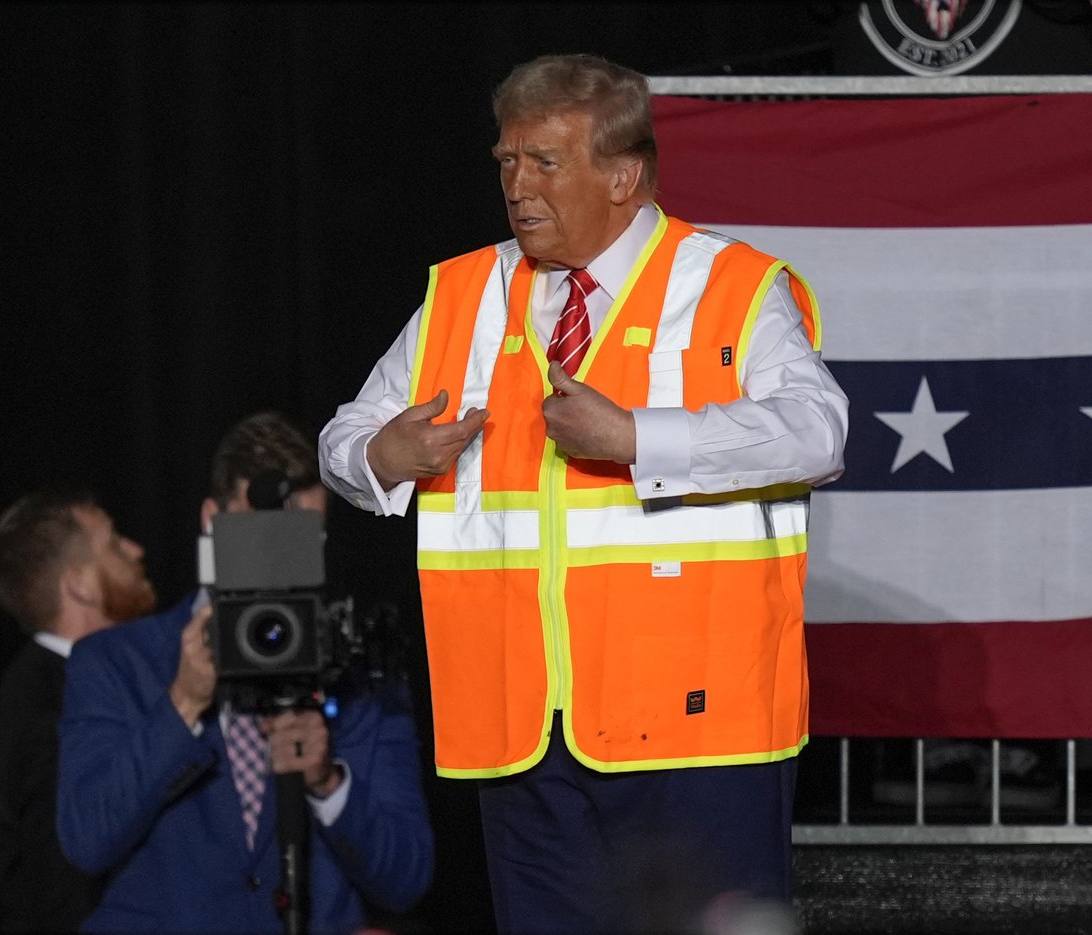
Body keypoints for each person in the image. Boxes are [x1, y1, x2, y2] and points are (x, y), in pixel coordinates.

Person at [319, 53, 849, 934]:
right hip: (525, 731)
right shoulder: (462, 294)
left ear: (623, 174)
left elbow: (820, 431)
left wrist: (640, 437)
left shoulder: (730, 286)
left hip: (700, 727)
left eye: (544, 162)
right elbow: (344, 441)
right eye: (506, 162)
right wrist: (387, 450)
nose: (517, 186)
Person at [56, 411, 433, 935]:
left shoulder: (357, 671)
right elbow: (87, 839)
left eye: (304, 537)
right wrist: (182, 703)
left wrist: (327, 784)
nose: (282, 557)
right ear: (213, 520)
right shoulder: (117, 663)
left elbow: (408, 877)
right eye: (265, 535)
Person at [0, 488, 157, 931]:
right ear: (80, 584)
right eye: (114, 543)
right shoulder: (46, 710)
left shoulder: (69, 685)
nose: (137, 550)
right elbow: (64, 892)